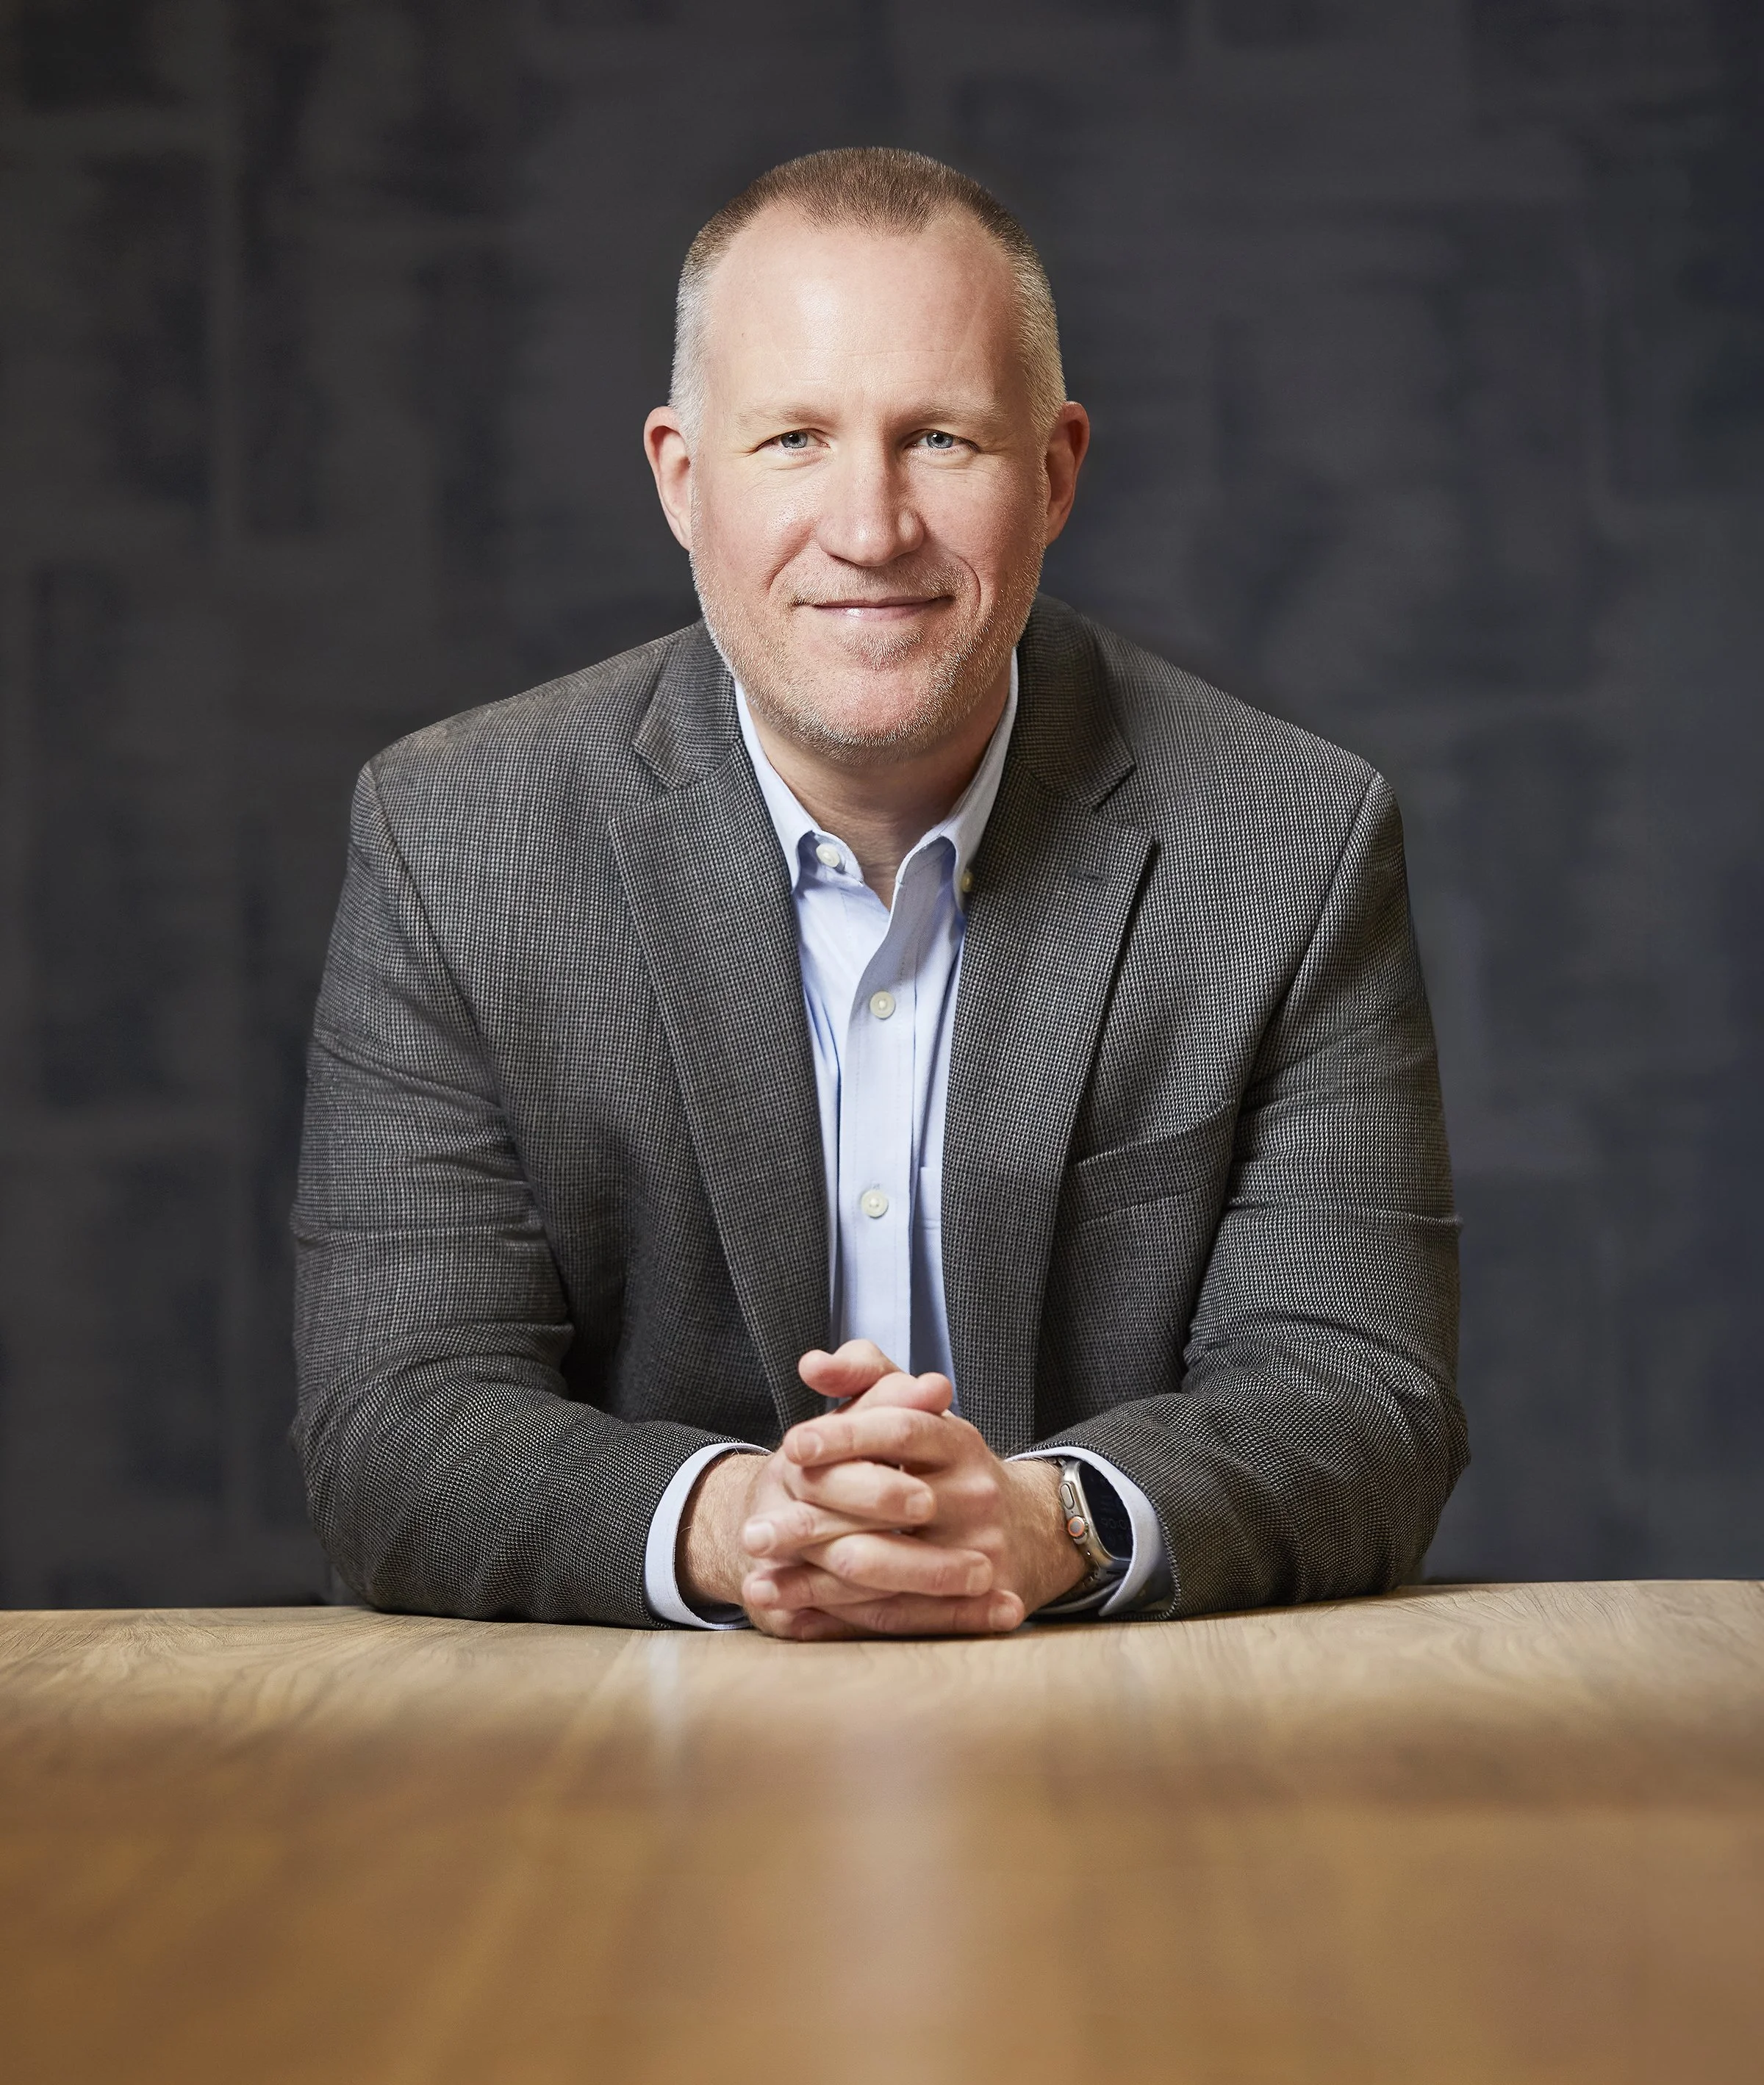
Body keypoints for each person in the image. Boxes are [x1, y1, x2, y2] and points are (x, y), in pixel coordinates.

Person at [293, 147, 1466, 1640]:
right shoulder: (455, 840)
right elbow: (395, 1425)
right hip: (608, 1776)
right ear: (681, 476)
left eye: (941, 440)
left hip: (1137, 1761)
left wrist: (1050, 1523)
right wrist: (738, 1523)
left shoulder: (1292, 843)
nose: (871, 526)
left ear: (1053, 473)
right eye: (793, 438)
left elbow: (1363, 1397)